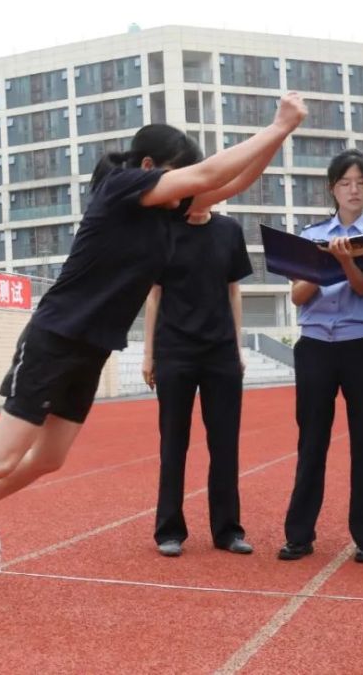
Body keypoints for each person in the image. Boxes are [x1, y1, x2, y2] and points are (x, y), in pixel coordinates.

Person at [0, 94, 308, 580]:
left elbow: (231, 180)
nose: (182, 188)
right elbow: (209, 174)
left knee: (49, 458)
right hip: (55, 337)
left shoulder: (166, 211)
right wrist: (275, 125)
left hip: (91, 349)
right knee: (1, 456)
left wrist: (283, 134)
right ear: (149, 167)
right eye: (174, 175)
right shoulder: (121, 188)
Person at [278, 149, 363, 564]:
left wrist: (345, 260)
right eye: (346, 182)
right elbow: (296, 296)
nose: (354, 189)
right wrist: (317, 265)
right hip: (315, 347)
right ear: (333, 188)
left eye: (362, 182)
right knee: (311, 441)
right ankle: (299, 535)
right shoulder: (310, 235)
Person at [141, 201, 253, 558]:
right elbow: (154, 295)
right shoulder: (164, 231)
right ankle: (169, 530)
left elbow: (233, 291)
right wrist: (149, 354)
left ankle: (228, 530)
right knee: (173, 444)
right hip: (175, 351)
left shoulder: (229, 231)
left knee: (225, 446)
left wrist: (238, 348)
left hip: (220, 352)